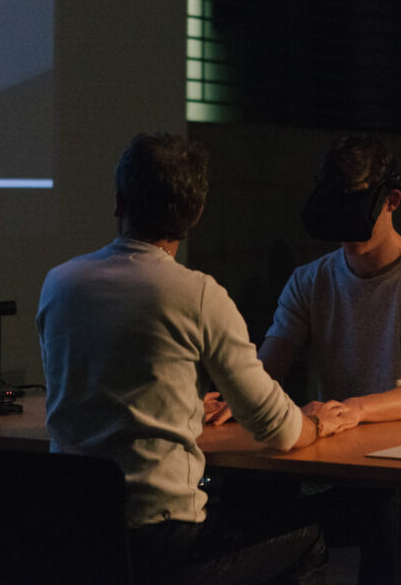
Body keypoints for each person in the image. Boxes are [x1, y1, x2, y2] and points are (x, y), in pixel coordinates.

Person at [36, 132, 356, 584]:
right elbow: (278, 429)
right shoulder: (197, 294)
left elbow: (85, 384)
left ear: (118, 202)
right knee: (308, 537)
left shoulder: (60, 283)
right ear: (196, 214)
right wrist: (320, 422)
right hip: (163, 542)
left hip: (73, 533)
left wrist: (181, 403)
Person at [206, 133, 401, 584]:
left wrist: (352, 411)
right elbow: (270, 366)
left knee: (388, 509)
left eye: (355, 204)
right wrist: (240, 394)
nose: (344, 219)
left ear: (392, 201)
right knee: (245, 491)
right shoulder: (310, 281)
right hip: (334, 461)